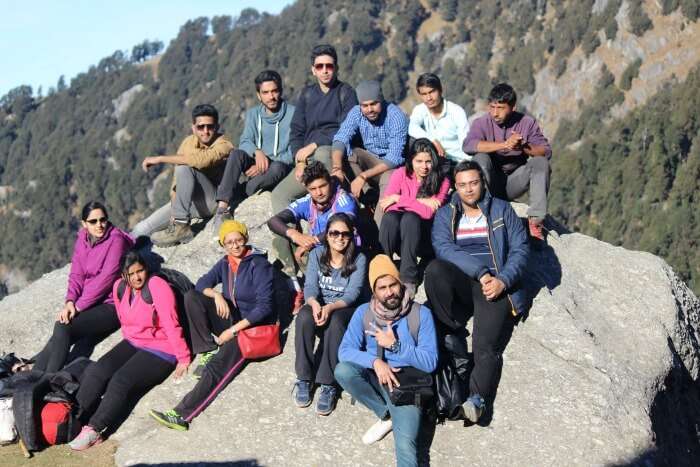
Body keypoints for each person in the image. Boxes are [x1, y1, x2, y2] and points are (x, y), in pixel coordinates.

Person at [424, 160, 529, 424]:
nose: (469, 190)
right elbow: (443, 247)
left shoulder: (502, 210)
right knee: (435, 269)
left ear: (482, 182)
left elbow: (520, 250)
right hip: (467, 280)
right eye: (462, 185)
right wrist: (480, 271)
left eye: (473, 183)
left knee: (486, 346)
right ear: (455, 187)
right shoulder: (447, 213)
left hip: (495, 285)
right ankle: (452, 328)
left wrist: (503, 281)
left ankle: (477, 399)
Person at [149, 220, 277, 431]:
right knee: (192, 297)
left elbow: (264, 308)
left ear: (245, 240)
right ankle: (208, 348)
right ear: (223, 245)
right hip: (233, 319)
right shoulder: (226, 263)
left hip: (253, 328)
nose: (235, 246)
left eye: (238, 241)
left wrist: (231, 331)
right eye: (229, 242)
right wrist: (216, 294)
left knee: (217, 368)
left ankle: (182, 415)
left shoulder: (259, 265)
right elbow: (201, 284)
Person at [68, 250, 191, 450]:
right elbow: (125, 320)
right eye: (130, 274)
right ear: (123, 275)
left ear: (146, 269)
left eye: (140, 271)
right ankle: (74, 417)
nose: (136, 277)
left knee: (120, 381)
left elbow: (171, 323)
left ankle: (94, 429)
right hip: (134, 341)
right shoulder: (119, 287)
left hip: (161, 348)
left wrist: (183, 357)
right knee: (98, 370)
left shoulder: (157, 286)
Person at [335, 254, 437, 467]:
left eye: (393, 285)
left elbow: (430, 362)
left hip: (405, 386)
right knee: (343, 370)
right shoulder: (364, 313)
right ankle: (386, 414)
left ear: (401, 284)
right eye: (382, 287)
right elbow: (344, 351)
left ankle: (395, 416)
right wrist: (375, 362)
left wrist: (395, 345)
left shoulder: (421, 314)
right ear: (374, 290)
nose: (389, 292)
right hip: (377, 376)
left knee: (406, 447)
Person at [33, 201, 134, 373]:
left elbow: (106, 279)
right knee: (62, 325)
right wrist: (70, 301)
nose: (99, 225)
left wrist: (78, 306)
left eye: (103, 220)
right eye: (93, 221)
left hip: (110, 306)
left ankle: (47, 380)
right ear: (84, 224)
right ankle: (33, 376)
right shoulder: (83, 238)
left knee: (64, 327)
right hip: (90, 303)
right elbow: (76, 273)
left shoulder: (115, 240)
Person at [293, 213, 367, 416]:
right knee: (304, 317)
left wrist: (331, 307)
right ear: (327, 235)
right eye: (334, 233)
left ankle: (328, 382)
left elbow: (353, 293)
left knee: (335, 323)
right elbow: (310, 286)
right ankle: (304, 377)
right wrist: (314, 303)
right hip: (321, 302)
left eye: (345, 234)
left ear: (351, 235)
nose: (339, 238)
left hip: (344, 307)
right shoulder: (317, 255)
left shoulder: (359, 259)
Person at [271, 44, 357, 217]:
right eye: (320, 66)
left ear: (336, 68)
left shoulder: (346, 93)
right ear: (313, 70)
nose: (325, 70)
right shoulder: (307, 95)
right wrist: (300, 161)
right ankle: (293, 241)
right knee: (280, 195)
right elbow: (296, 131)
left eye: (329, 66)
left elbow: (348, 128)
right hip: (308, 160)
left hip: (332, 153)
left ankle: (335, 217)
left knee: (322, 153)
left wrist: (314, 145)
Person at [133, 104, 234, 246]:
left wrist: (160, 158)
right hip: (189, 205)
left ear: (216, 126)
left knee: (185, 168)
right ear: (193, 127)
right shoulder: (188, 142)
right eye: (200, 127)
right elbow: (176, 182)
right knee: (141, 229)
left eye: (210, 127)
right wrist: (174, 212)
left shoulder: (224, 144)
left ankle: (181, 226)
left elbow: (200, 161)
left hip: (213, 202)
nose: (205, 131)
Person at [463, 83, 551, 240]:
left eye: (501, 108)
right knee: (480, 158)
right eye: (492, 107)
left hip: (513, 182)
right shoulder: (482, 123)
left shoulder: (527, 123)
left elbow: (545, 151)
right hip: (489, 183)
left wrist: (523, 146)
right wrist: (504, 145)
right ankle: (483, 214)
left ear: (513, 107)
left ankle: (536, 221)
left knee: (541, 163)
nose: (495, 113)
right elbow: (468, 145)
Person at [212, 70, 295, 231]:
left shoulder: (293, 114)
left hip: (279, 168)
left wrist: (265, 163)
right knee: (236, 154)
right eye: (265, 92)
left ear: (280, 91)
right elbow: (244, 141)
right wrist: (257, 152)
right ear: (259, 95)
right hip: (258, 163)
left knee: (277, 167)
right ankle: (222, 208)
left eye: (274, 91)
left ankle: (243, 191)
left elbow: (293, 153)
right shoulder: (253, 114)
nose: (271, 97)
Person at [378, 138, 450, 296]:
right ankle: (384, 269)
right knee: (390, 218)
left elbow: (428, 213)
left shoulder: (442, 181)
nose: (424, 167)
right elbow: (386, 205)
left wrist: (398, 198)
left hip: (426, 238)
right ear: (411, 160)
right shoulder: (400, 173)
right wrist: (421, 201)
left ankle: (409, 277)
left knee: (411, 217)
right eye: (419, 161)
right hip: (401, 236)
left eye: (428, 161)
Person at [331, 80, 409, 226]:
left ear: (381, 100)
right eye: (364, 106)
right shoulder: (356, 112)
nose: (369, 109)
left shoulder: (396, 116)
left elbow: (394, 158)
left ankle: (378, 231)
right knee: (349, 153)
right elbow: (341, 138)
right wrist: (337, 168)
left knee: (389, 178)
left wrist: (363, 176)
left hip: (392, 167)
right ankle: (366, 197)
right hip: (371, 160)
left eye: (374, 104)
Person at [267, 161, 358, 277]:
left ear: (330, 181)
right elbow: (273, 221)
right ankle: (294, 282)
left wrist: (311, 242)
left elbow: (343, 227)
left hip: (340, 252)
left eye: (323, 186)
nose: (319, 193)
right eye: (313, 189)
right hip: (315, 251)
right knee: (280, 238)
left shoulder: (343, 200)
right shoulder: (307, 201)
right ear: (306, 188)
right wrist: (296, 236)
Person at [408, 73, 470, 164]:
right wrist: (433, 141)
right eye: (424, 94)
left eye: (432, 92)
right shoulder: (420, 110)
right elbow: (412, 128)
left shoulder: (456, 111)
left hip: (458, 162)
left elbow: (465, 143)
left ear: (440, 90)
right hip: (435, 162)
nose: (429, 98)